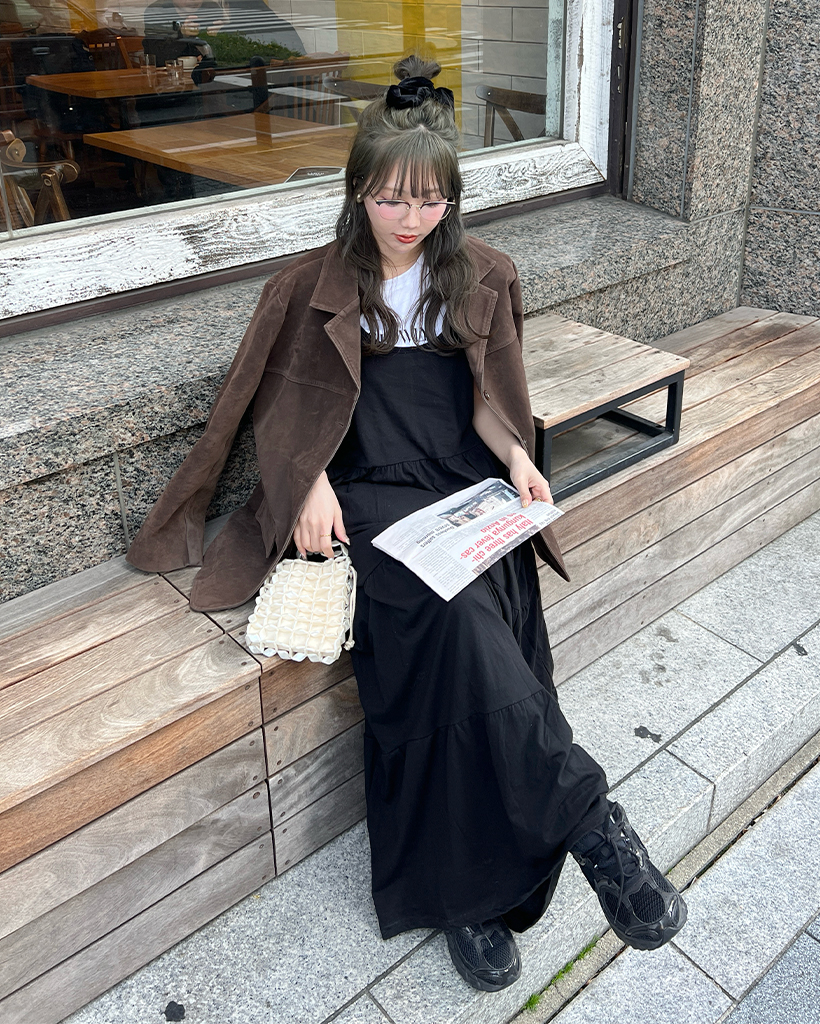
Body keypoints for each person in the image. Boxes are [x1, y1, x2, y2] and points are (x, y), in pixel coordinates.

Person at [126, 55, 687, 992]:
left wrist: (520, 463)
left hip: (462, 486)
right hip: (366, 495)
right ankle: (593, 825)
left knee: (468, 646)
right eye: (390, 198)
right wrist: (306, 483)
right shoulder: (307, 285)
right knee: (459, 621)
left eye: (428, 200)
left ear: (450, 201)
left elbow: (492, 407)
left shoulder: (482, 274)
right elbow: (276, 408)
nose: (409, 217)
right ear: (357, 193)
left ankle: (470, 898)